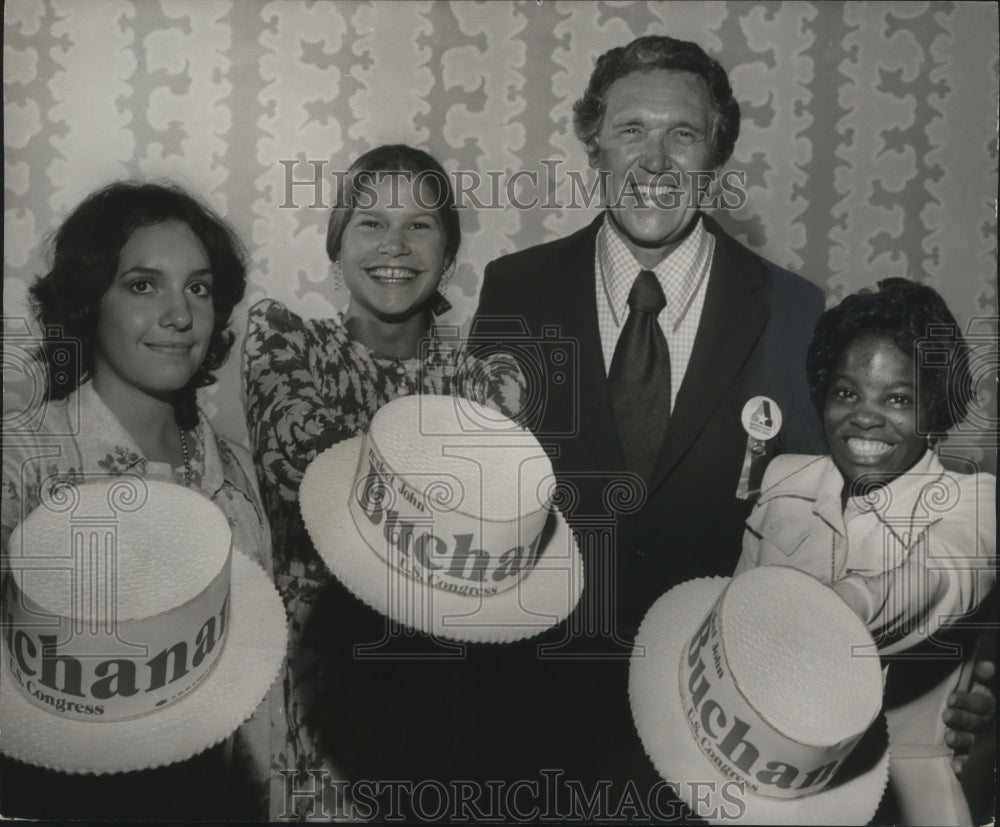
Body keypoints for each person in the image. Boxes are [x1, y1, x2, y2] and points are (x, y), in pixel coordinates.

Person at [471, 34, 993, 816]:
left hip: (721, 734)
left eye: (683, 134)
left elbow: (849, 532)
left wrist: (950, 673)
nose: (655, 160)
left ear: (716, 154)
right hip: (535, 723)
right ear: (592, 144)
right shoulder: (516, 290)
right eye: (630, 130)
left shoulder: (792, 309)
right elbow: (479, 512)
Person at [241, 143, 524, 819]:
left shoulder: (489, 379)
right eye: (371, 222)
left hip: (446, 681)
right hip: (319, 680)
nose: (395, 243)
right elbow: (309, 471)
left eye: (420, 224)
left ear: (450, 255)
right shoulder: (286, 345)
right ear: (336, 248)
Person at [0, 181, 273, 819]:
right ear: (88, 300)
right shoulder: (23, 459)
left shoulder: (234, 467)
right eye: (143, 285)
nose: (179, 315)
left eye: (199, 288)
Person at [736, 278, 996, 825]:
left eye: (898, 398)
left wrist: (835, 608)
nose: (864, 416)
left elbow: (941, 576)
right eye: (847, 392)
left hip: (906, 797)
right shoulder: (783, 482)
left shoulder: (975, 500)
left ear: (935, 409)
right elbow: (732, 631)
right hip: (772, 784)